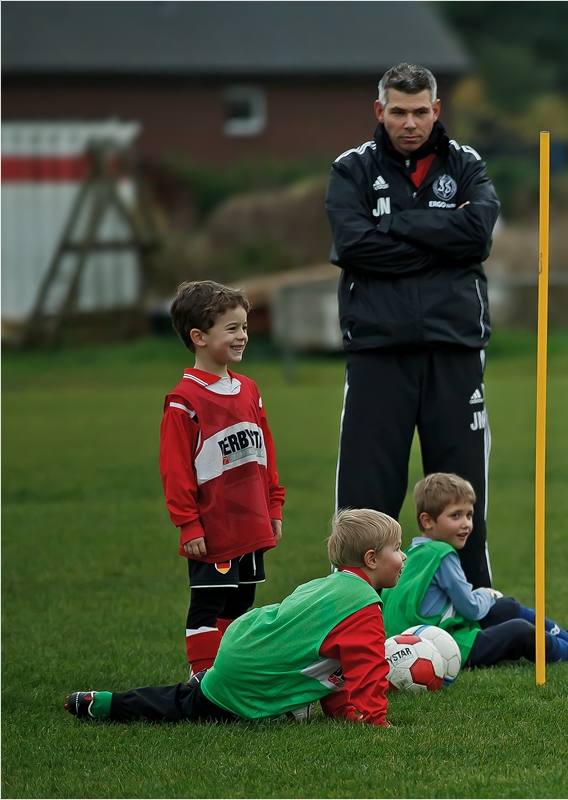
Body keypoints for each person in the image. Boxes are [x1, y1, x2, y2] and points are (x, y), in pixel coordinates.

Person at [325, 62, 501, 589]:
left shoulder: (466, 163)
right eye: (398, 111)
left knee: (459, 496)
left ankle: (470, 607)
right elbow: (353, 245)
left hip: (455, 349)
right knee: (367, 494)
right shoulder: (351, 169)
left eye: (420, 111)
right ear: (380, 111)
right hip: (379, 353)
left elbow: (477, 238)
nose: (410, 122)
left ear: (436, 110)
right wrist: (439, 246)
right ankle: (350, 611)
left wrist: (397, 225)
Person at [64, 509, 404, 726]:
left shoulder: (329, 586)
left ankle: (198, 685)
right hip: (249, 668)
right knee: (183, 708)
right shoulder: (363, 607)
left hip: (246, 640)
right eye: (398, 549)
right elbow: (367, 671)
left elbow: (330, 663)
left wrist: (343, 713)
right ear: (371, 558)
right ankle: (104, 705)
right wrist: (375, 723)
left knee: (190, 698)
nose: (403, 556)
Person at [160, 280, 285, 676]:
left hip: (250, 521)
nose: (243, 336)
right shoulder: (185, 400)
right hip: (212, 527)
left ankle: (224, 673)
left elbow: (265, 454)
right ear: (199, 336)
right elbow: (175, 470)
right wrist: (188, 524)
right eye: (231, 329)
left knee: (240, 601)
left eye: (244, 327)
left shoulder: (249, 389)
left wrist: (274, 505)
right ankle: (201, 678)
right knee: (208, 602)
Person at [381, 473, 568, 668]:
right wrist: (486, 594)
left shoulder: (412, 554)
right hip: (440, 649)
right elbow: (472, 609)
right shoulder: (442, 555)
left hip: (414, 642)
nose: (466, 523)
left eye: (469, 515)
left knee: (507, 607)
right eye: (456, 516)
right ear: (427, 521)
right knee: (520, 630)